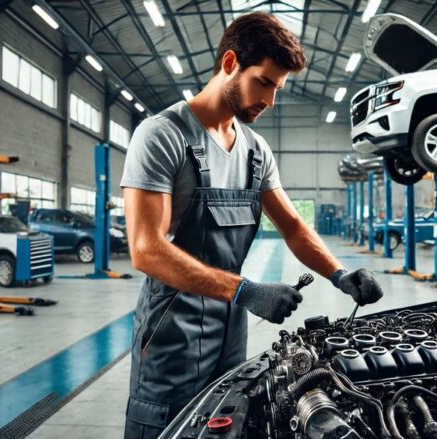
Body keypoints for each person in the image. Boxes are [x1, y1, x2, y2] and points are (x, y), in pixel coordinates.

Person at [120, 12, 384, 438]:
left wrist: (339, 275)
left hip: (230, 336)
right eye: (264, 82)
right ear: (229, 64)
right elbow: (145, 248)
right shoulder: (162, 136)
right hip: (171, 341)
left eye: (278, 88)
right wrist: (244, 290)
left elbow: (294, 226)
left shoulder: (255, 151)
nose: (271, 100)